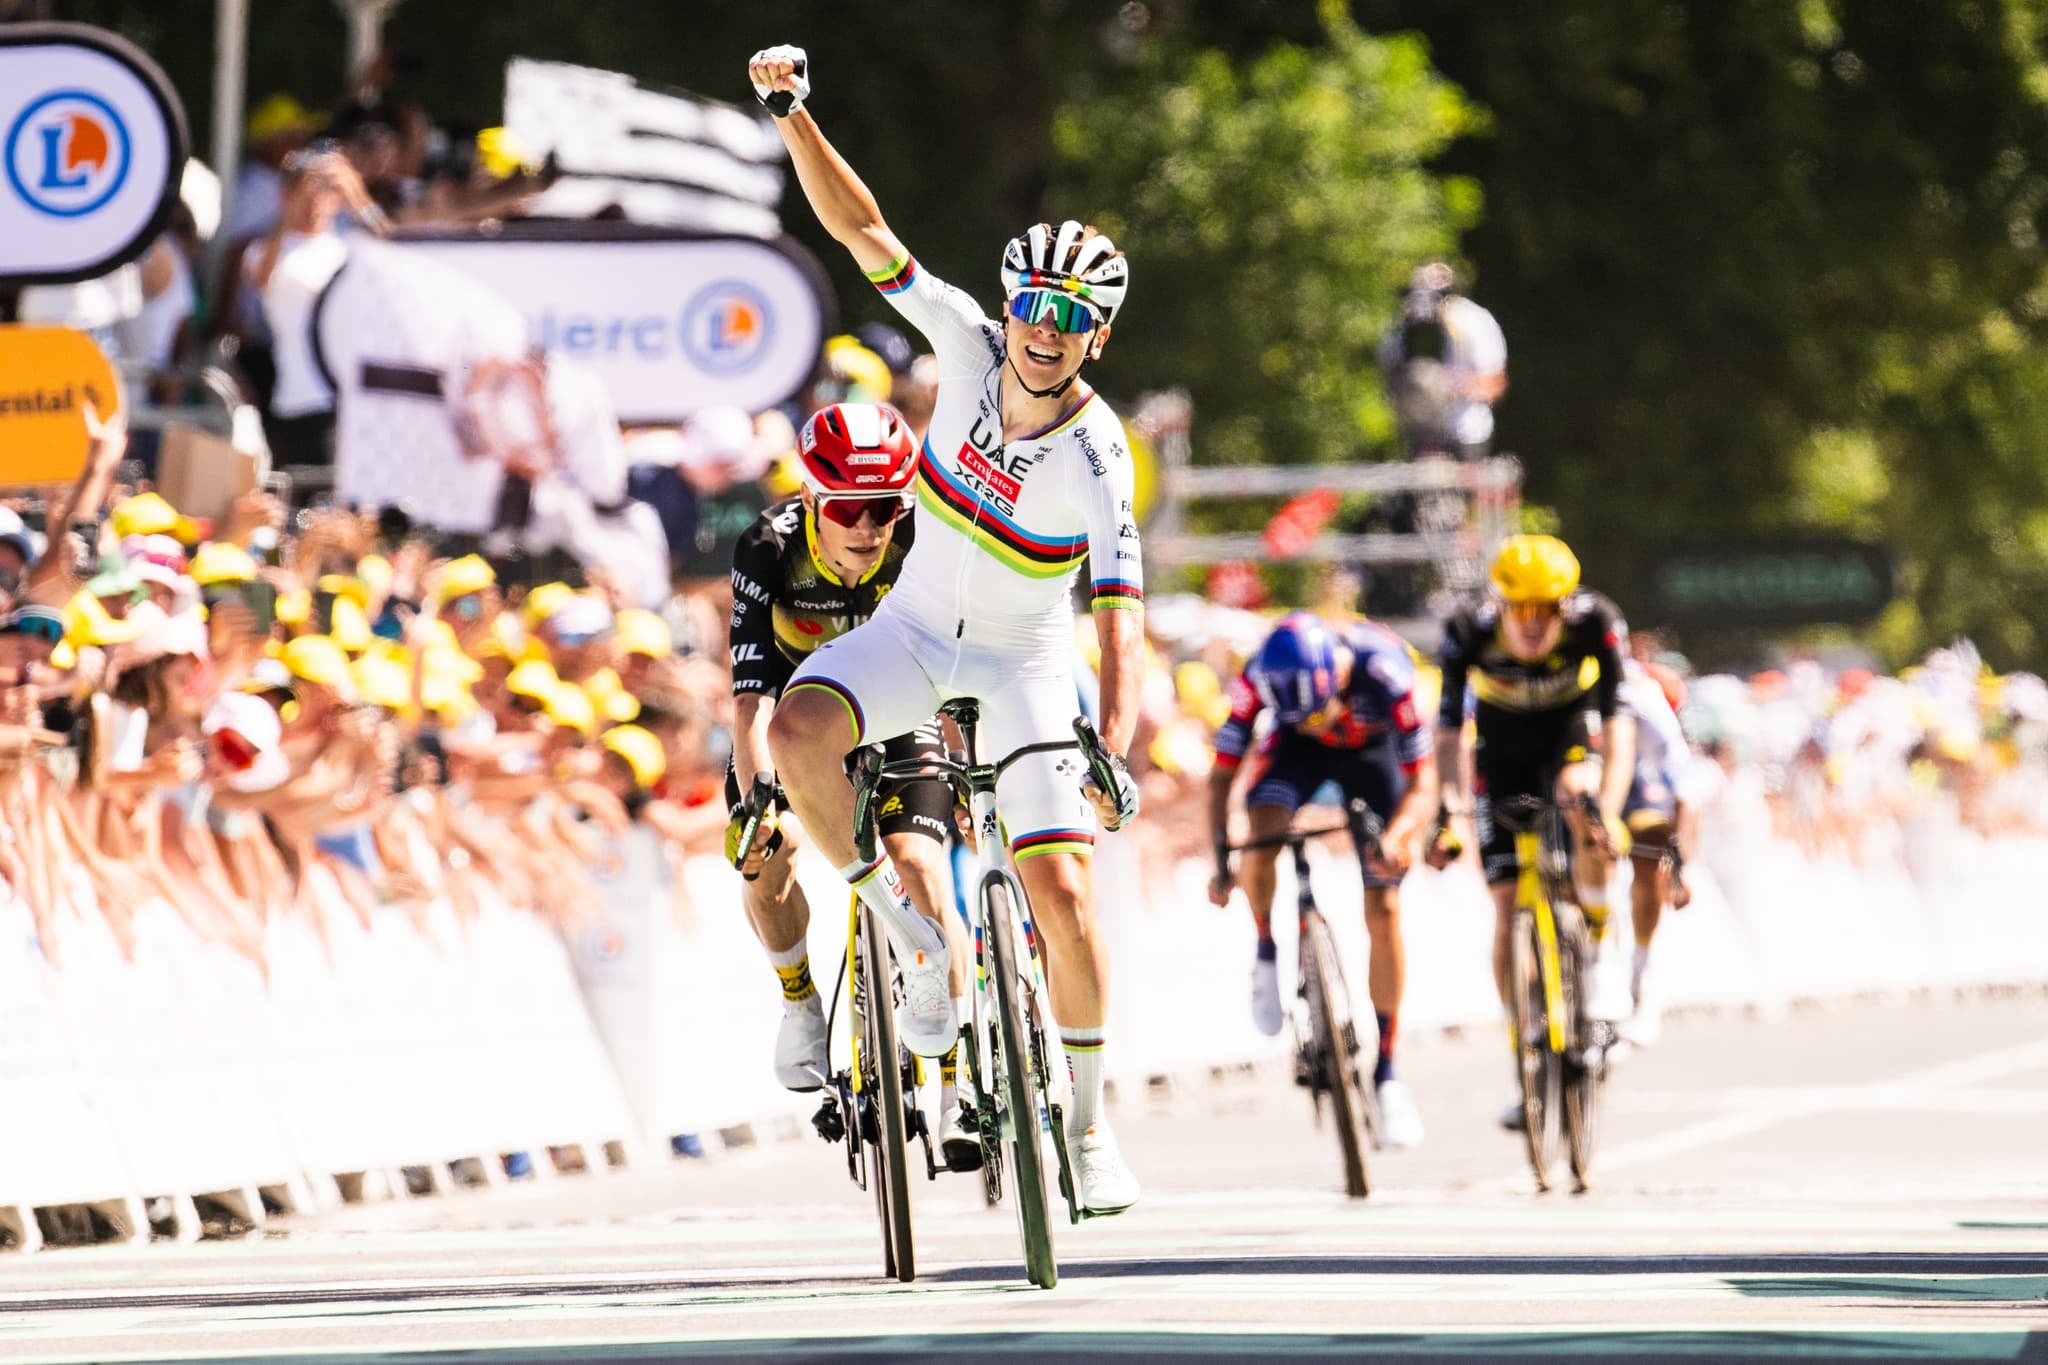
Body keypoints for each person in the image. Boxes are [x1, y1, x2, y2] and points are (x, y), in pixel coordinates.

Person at [748, 43, 1146, 1215]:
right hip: (917, 632)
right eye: (1033, 304)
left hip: (1026, 665)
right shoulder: (966, 341)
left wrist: (1110, 741)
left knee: (1064, 893)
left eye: (1069, 317)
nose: (1041, 328)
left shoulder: (1096, 455)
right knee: (798, 734)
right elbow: (864, 231)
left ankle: (1086, 1124)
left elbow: (1120, 619)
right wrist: (792, 117)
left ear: (1095, 338)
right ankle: (896, 925)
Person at [724, 401, 978, 1172]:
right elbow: (750, 696)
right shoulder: (767, 546)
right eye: (847, 509)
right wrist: (755, 798)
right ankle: (800, 998)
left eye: (885, 507)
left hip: (902, 712)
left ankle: (956, 1082)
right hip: (800, 721)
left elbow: (964, 666)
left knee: (925, 868)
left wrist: (971, 765)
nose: (868, 527)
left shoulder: (924, 541)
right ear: (810, 502)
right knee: (763, 855)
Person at [1206, 613, 1439, 1147]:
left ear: (1336, 677)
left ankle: (1387, 1076)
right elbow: (1222, 774)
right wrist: (1223, 859)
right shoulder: (1258, 678)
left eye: (1319, 711)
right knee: (1262, 831)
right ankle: (1266, 950)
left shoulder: (1384, 669)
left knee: (1384, 906)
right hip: (1295, 758)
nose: (1316, 722)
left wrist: (1401, 836)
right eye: (1302, 716)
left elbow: (1423, 781)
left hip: (1373, 756)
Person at [1434, 535, 1636, 1129]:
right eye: (1518, 609)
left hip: (1569, 731)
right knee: (1505, 910)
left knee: (1581, 799)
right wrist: (1448, 809)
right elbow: (1447, 732)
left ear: (1565, 606)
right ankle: (1525, 1053)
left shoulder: (1596, 621)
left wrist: (1611, 810)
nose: (1530, 624)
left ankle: (1596, 952)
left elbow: (1619, 723)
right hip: (1501, 747)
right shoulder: (1467, 630)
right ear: (1498, 604)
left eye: (1544, 610)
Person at [1613, 658, 1698, 1046]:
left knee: (1649, 837)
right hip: (1586, 763)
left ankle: (1642, 976)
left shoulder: (1650, 704)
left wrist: (1678, 866)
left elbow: (1685, 793)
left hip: (1638, 781)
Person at [1377, 262, 1507, 463]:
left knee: (1467, 490)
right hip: (1421, 436)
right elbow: (1388, 371)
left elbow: (1495, 385)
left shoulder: (1475, 322)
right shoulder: (1403, 327)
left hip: (1467, 433)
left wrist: (1446, 385)